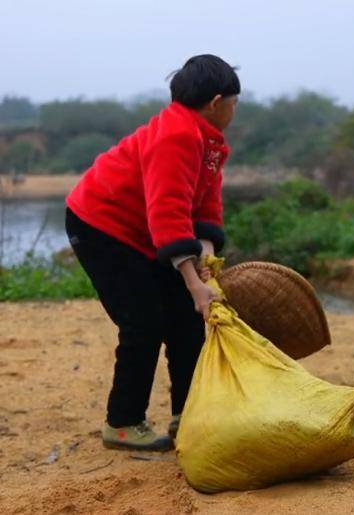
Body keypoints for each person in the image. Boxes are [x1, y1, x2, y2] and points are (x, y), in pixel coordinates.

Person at [65, 54, 240, 451]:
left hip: (144, 232)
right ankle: (123, 424)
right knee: (143, 320)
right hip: (101, 225)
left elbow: (205, 206)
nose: (235, 110)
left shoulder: (207, 140)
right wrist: (194, 283)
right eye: (234, 102)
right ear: (216, 102)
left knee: (185, 319)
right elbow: (168, 212)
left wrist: (206, 262)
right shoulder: (177, 136)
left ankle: (188, 414)